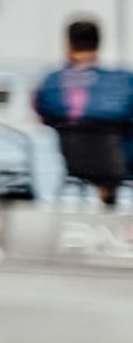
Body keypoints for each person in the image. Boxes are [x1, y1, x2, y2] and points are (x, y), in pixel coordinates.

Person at [33, 17, 133, 206]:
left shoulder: (51, 84)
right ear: (98, 44)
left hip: (73, 163)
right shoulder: (123, 81)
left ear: (68, 44)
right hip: (120, 164)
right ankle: (108, 193)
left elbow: (42, 114)